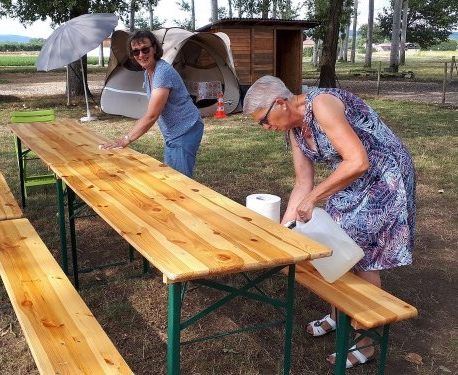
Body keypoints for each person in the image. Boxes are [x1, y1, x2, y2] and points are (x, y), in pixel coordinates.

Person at [243, 76, 416, 369]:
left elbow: (358, 161)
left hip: (385, 177)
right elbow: (302, 183)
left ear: (281, 103)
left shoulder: (321, 105)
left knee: (361, 257)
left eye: (264, 120)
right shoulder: (295, 132)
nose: (265, 128)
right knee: (330, 245)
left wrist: (313, 199)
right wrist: (284, 231)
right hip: (349, 179)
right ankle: (338, 315)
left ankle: (366, 340)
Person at [101, 30, 204, 178]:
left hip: (186, 129)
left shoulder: (162, 72)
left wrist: (126, 139)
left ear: (154, 48)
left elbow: (152, 116)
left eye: (145, 49)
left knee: (182, 182)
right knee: (171, 177)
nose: (141, 55)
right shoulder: (148, 72)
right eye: (136, 52)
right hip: (173, 133)